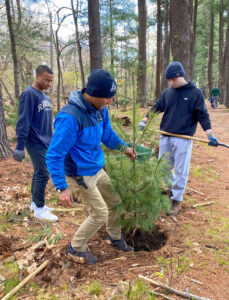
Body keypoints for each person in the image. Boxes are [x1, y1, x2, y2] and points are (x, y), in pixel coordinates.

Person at [46, 69, 136, 264]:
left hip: (97, 168)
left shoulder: (100, 111)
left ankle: (114, 236)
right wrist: (62, 187)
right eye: (107, 98)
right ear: (93, 94)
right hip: (79, 174)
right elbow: (54, 154)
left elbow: (107, 134)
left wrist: (124, 148)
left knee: (116, 203)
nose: (110, 102)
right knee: (99, 213)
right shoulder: (70, 118)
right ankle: (76, 248)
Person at [138, 62, 219, 216]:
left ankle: (176, 200)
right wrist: (144, 120)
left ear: (181, 76)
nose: (171, 83)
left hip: (183, 137)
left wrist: (210, 134)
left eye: (173, 80)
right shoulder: (167, 93)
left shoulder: (195, 93)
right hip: (166, 136)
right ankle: (171, 189)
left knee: (181, 170)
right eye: (169, 80)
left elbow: (203, 115)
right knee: (163, 167)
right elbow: (157, 107)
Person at [13, 65, 58, 222]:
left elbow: (46, 121)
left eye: (51, 81)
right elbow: (23, 120)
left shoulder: (44, 97)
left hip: (46, 141)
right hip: (34, 141)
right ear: (37, 76)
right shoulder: (29, 94)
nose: (48, 84)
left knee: (39, 172)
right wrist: (20, 145)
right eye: (46, 80)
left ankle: (35, 204)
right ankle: (39, 209)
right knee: (44, 172)